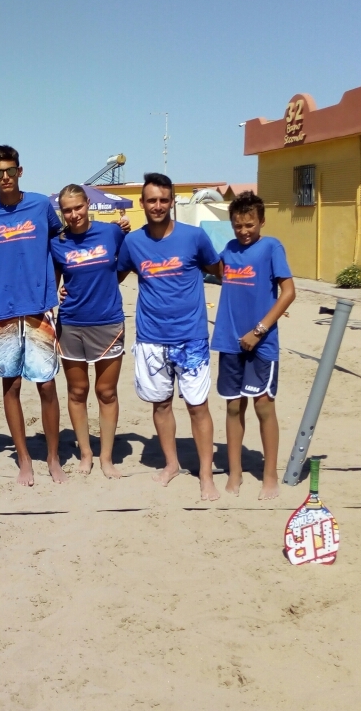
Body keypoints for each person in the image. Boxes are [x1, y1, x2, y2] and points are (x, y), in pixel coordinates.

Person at [116, 172, 222, 500]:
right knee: (160, 405)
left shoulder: (195, 238)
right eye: (152, 200)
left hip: (191, 338)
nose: (158, 206)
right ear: (142, 203)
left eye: (164, 200)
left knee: (197, 406)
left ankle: (206, 473)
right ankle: (172, 464)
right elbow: (112, 278)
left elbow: (222, 272)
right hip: (150, 339)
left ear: (172, 201)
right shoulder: (133, 243)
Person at [0, 145, 68, 485]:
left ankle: (54, 459)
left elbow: (62, 247)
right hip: (3, 311)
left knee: (46, 386)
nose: (5, 177)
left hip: (39, 309)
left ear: (20, 171)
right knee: (10, 385)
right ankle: (24, 459)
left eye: (10, 171)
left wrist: (60, 285)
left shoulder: (41, 205)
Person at [211, 193, 295, 500]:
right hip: (229, 340)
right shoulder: (229, 250)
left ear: (261, 221)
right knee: (233, 406)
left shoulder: (271, 247)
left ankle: (269, 474)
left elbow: (288, 291)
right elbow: (207, 268)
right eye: (237, 225)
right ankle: (235, 473)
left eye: (249, 224)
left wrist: (259, 330)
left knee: (263, 405)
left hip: (262, 341)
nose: (244, 231)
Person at [51, 184, 127, 478]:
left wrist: (109, 283)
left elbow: (127, 263)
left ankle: (106, 457)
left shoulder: (111, 233)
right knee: (77, 391)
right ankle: (86, 454)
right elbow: (52, 280)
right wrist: (55, 293)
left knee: (106, 392)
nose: (73, 215)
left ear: (88, 205)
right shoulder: (57, 242)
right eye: (67, 210)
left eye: (78, 207)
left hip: (108, 321)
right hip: (71, 323)